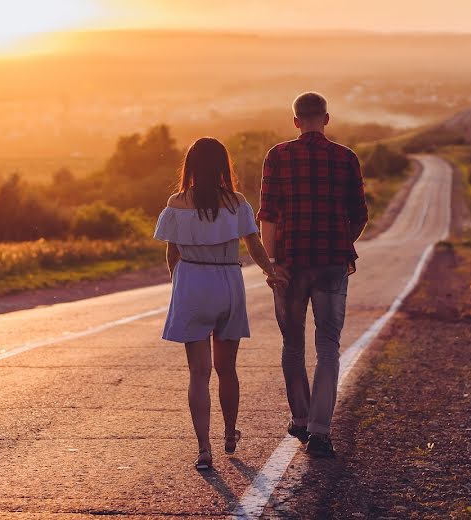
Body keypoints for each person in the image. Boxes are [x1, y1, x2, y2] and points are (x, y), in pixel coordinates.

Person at [154, 137, 285, 471]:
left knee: (199, 373)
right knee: (227, 369)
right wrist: (271, 273)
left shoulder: (176, 202)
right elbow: (254, 245)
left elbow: (172, 253)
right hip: (227, 282)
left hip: (192, 283)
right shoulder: (237, 202)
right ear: (223, 166)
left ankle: (203, 449)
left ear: (191, 166)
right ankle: (229, 433)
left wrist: (179, 287)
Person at [257, 92, 369, 458]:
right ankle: (320, 430)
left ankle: (301, 418)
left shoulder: (277, 156)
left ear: (295, 121)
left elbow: (268, 215)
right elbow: (360, 215)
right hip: (331, 263)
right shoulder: (346, 158)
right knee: (328, 346)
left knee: (292, 344)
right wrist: (339, 242)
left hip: (289, 262)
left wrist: (272, 262)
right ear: (326, 118)